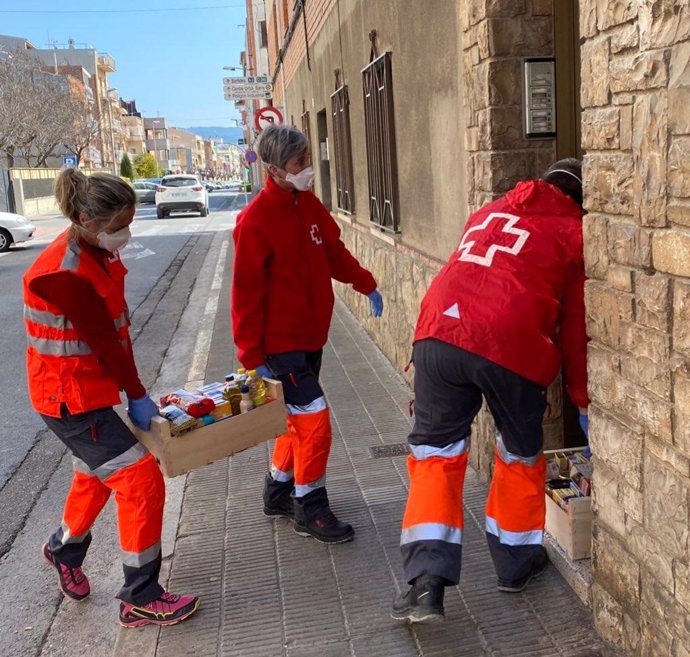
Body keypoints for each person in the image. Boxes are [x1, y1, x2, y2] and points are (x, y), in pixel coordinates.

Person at [391, 159, 588, 623]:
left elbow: (466, 270)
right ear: (579, 201)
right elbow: (576, 328)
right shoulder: (574, 232)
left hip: (438, 331)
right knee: (519, 453)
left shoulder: (490, 211)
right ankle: (516, 565)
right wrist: (580, 397)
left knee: (434, 455)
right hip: (510, 342)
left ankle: (426, 584)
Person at [23, 169, 199, 627]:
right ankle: (140, 596)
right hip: (69, 398)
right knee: (140, 480)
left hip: (85, 391)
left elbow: (113, 334)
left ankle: (63, 549)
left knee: (95, 473)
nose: (126, 232)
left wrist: (133, 392)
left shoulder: (93, 250)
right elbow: (105, 342)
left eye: (129, 221)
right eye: (119, 224)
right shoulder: (65, 275)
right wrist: (138, 395)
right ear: (85, 218)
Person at [231, 124, 384, 544]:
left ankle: (278, 490)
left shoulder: (308, 205)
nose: (307, 169)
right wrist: (251, 356)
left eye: (306, 161)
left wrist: (365, 281)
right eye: (299, 164)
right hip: (279, 347)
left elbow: (333, 252)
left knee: (295, 421)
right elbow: (244, 294)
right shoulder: (255, 221)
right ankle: (309, 507)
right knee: (314, 421)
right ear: (276, 169)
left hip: (311, 337)